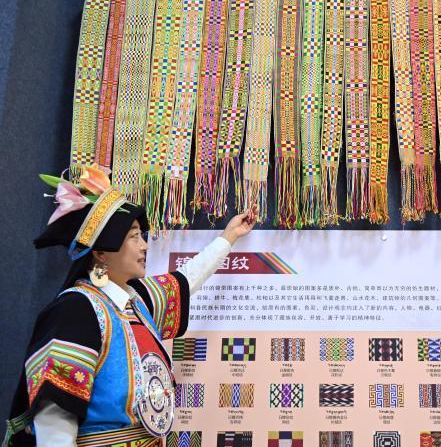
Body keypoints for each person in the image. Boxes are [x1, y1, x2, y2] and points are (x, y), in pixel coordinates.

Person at [3, 165, 258, 447]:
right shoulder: (76, 311)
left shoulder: (136, 303)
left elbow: (186, 280)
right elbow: (55, 423)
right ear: (101, 252)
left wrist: (229, 236)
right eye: (134, 236)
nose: (145, 246)